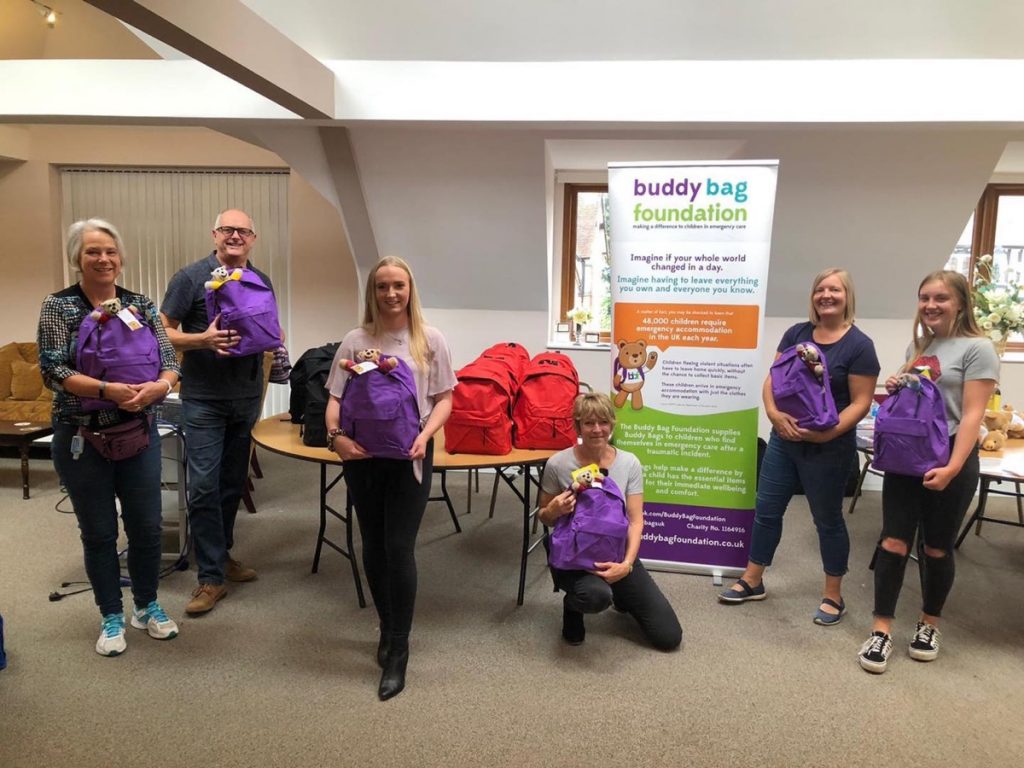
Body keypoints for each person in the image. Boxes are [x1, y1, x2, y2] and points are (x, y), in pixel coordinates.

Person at [39, 218, 181, 656]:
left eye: (110, 251)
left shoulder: (140, 304)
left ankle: (146, 605)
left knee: (147, 528)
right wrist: (107, 391)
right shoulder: (59, 306)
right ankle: (111, 614)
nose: (103, 259)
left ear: (120, 257)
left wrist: (161, 387)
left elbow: (169, 360)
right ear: (77, 258)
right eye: (92, 252)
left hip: (138, 432)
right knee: (99, 532)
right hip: (82, 437)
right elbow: (53, 370)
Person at [325, 256, 456, 701]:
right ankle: (387, 624)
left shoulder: (429, 339)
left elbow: (444, 398)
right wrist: (337, 439)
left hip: (409, 454)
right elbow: (335, 399)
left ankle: (399, 647)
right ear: (372, 292)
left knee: (398, 547)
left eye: (398, 285)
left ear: (410, 289)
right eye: (382, 286)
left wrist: (426, 435)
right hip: (361, 455)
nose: (391, 294)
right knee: (373, 545)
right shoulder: (354, 340)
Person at [719, 268, 879, 625]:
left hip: (829, 447)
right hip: (784, 441)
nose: (826, 295)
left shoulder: (860, 346)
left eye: (834, 290)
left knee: (827, 520)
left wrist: (826, 435)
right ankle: (753, 579)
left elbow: (861, 403)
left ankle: (833, 596)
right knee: (766, 510)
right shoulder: (796, 333)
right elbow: (772, 379)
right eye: (820, 289)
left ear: (847, 296)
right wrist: (773, 414)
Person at [858, 270, 998, 674]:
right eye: (924, 298)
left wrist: (952, 467)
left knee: (936, 548)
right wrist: (899, 384)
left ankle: (928, 624)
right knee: (893, 543)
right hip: (908, 459)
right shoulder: (919, 345)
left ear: (961, 303)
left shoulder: (978, 349)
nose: (931, 305)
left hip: (951, 458)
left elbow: (972, 414)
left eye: (941, 298)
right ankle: (881, 629)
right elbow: (921, 401)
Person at [160, 209, 278, 614]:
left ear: (253, 238)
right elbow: (162, 332)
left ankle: (221, 555)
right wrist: (203, 340)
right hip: (204, 399)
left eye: (243, 231)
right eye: (228, 229)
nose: (235, 236)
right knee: (204, 486)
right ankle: (210, 578)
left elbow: (267, 328)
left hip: (246, 397)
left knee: (231, 484)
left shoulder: (260, 280)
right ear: (215, 234)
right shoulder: (190, 278)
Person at [538, 392, 682, 651]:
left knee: (668, 637)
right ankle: (573, 604)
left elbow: (636, 521)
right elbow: (544, 517)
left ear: (612, 424)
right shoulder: (558, 464)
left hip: (616, 553)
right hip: (574, 556)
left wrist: (626, 565)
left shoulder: (629, 462)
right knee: (596, 596)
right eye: (589, 423)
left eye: (603, 422)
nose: (597, 429)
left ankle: (623, 596)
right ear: (578, 426)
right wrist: (555, 509)